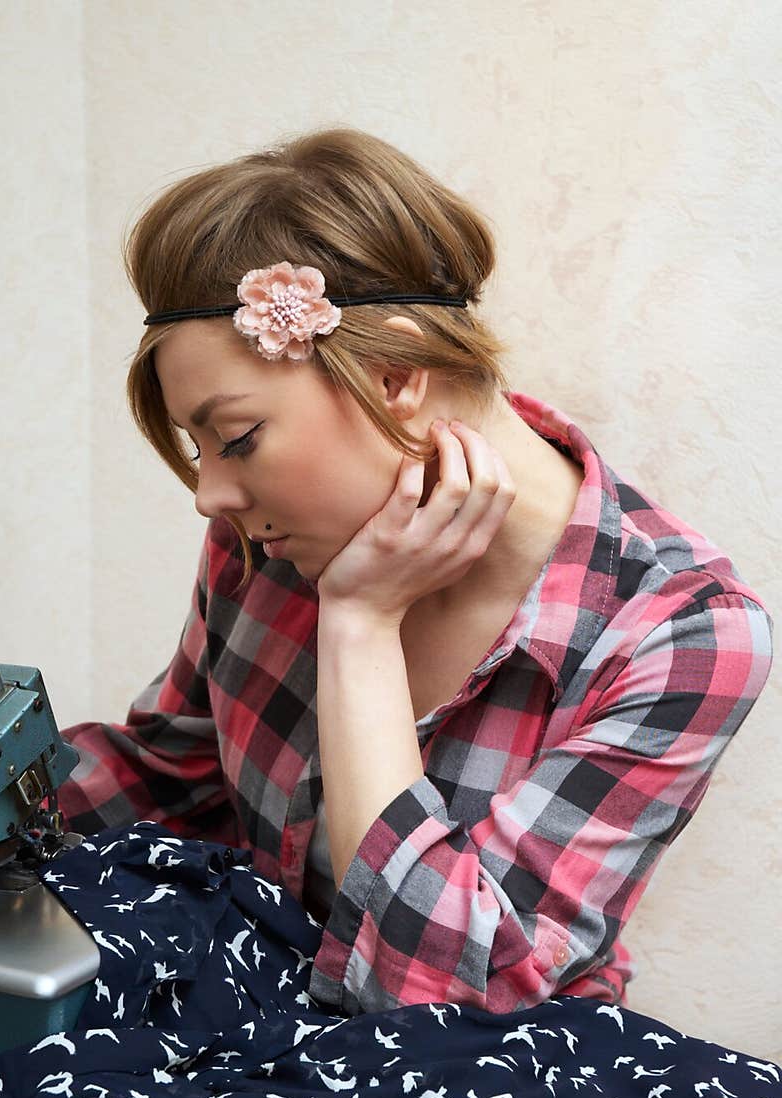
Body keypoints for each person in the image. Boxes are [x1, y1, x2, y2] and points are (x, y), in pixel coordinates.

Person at [57, 125, 774, 1018]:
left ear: (396, 372)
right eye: (198, 449)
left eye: (236, 438)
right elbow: (170, 783)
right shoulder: (265, 541)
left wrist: (358, 624)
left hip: (495, 1094)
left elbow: (445, 989)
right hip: (269, 1031)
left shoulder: (682, 633)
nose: (211, 494)